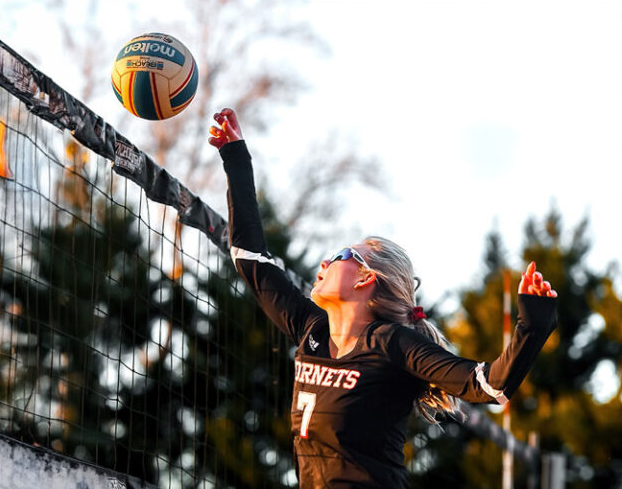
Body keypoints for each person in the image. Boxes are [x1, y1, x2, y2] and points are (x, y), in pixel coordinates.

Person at [207, 108, 559, 489]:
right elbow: (251, 259)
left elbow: (489, 386)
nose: (326, 260)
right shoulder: (312, 330)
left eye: (343, 254)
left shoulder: (393, 344)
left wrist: (534, 324)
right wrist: (236, 157)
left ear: (365, 279)